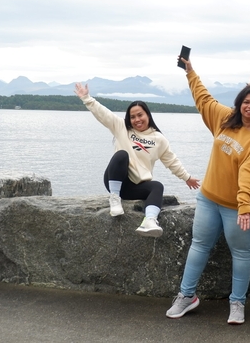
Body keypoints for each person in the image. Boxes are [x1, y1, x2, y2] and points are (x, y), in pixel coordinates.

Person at [165, 56, 250, 325]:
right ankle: (187, 295)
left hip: (240, 208)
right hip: (209, 198)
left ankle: (237, 303)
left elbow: (249, 173)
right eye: (246, 101)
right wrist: (190, 72)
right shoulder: (225, 119)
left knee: (240, 252)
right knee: (199, 245)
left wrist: (245, 205)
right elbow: (204, 99)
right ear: (239, 103)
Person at [74, 82, 200, 237]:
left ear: (147, 115)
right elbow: (103, 113)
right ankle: (114, 200)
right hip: (116, 182)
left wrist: (186, 178)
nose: (137, 119)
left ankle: (149, 220)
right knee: (121, 155)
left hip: (135, 187)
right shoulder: (121, 127)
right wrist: (86, 98)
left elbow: (171, 161)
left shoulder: (159, 139)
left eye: (140, 115)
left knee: (157, 186)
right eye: (132, 117)